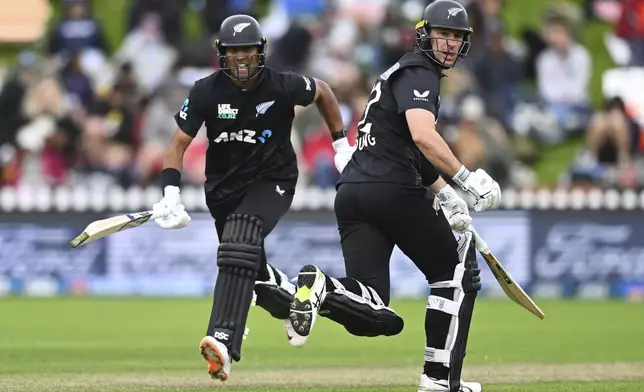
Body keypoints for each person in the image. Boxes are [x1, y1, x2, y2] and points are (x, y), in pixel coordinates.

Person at [286, 1, 501, 392]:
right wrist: (467, 181)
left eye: (457, 37)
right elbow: (422, 135)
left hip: (352, 193)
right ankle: (438, 381)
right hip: (391, 189)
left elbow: (404, 145)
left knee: (375, 312)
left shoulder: (398, 71)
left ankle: (323, 286)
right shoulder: (420, 70)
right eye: (444, 34)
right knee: (454, 275)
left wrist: (444, 194)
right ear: (424, 33)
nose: (450, 44)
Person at [150, 14, 351, 382]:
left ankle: (225, 339)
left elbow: (322, 90)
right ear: (221, 54)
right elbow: (178, 145)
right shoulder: (205, 91)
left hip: (273, 180)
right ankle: (296, 302)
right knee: (251, 272)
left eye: (248, 51)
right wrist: (170, 194)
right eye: (233, 52)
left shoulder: (283, 85)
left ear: (260, 52)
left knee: (239, 238)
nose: (241, 59)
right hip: (224, 192)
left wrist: (340, 143)